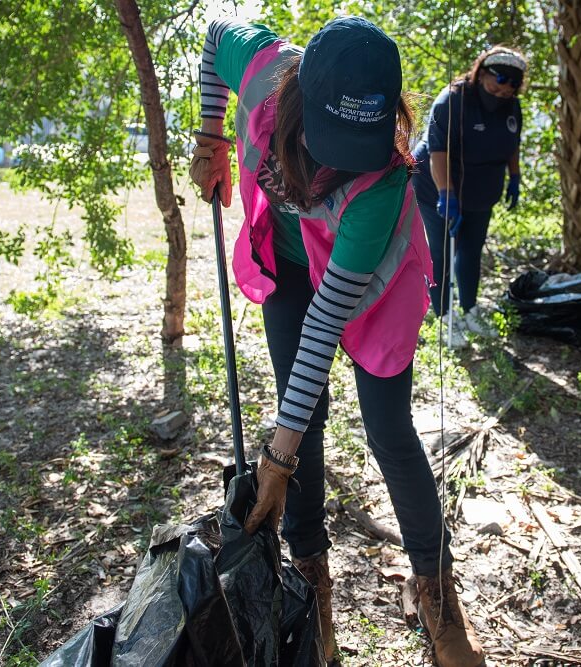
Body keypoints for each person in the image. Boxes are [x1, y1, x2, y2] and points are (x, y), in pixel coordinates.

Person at [190, 16, 485, 667]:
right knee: (309, 418)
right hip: (291, 263)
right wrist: (211, 133)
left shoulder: (384, 181)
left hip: (369, 283)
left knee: (388, 429)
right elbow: (214, 38)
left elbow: (328, 320)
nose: (346, 156)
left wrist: (276, 453)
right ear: (298, 98)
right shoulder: (265, 68)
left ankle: (438, 597)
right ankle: (313, 585)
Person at [412, 47, 527, 348]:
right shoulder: (452, 101)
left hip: (481, 189)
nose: (504, 88)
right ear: (482, 72)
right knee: (442, 251)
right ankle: (445, 315)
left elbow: (512, 142)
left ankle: (470, 309)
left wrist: (514, 177)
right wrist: (446, 195)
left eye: (512, 84)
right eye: (499, 79)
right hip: (436, 184)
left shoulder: (512, 106)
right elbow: (438, 151)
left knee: (471, 249)